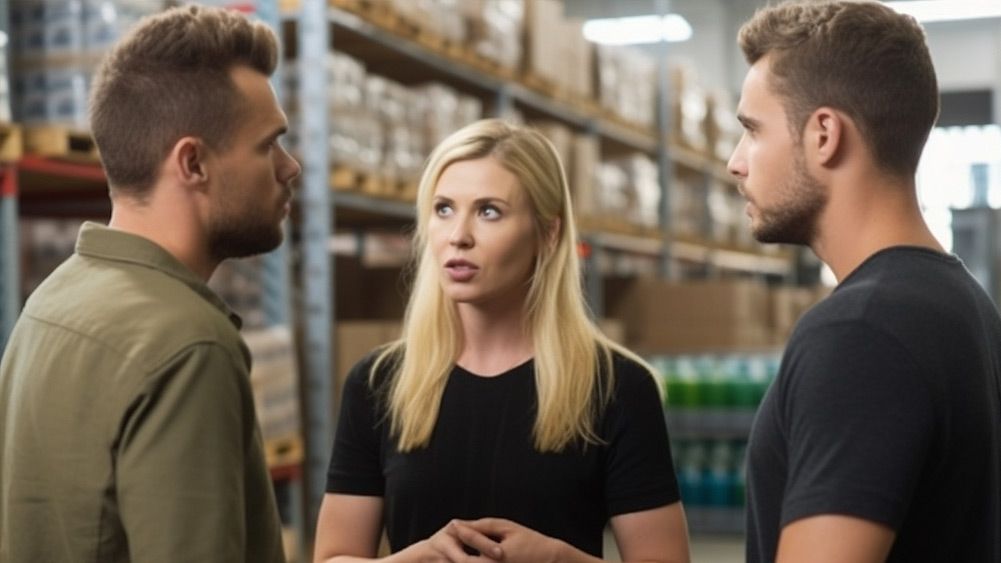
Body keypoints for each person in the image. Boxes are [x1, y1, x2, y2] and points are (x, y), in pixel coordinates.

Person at [0, 5, 300, 562]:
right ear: (193, 164)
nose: (291, 167)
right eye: (268, 145)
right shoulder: (187, 346)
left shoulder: (53, 301)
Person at [313, 119, 690, 563]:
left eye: (489, 211)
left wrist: (556, 560)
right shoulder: (378, 384)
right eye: (443, 209)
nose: (459, 236)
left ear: (547, 234)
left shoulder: (616, 387)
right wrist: (416, 560)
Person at [727, 1, 1001, 562]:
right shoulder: (963, 304)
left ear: (824, 134)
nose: (736, 162)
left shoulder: (859, 334)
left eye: (752, 131)